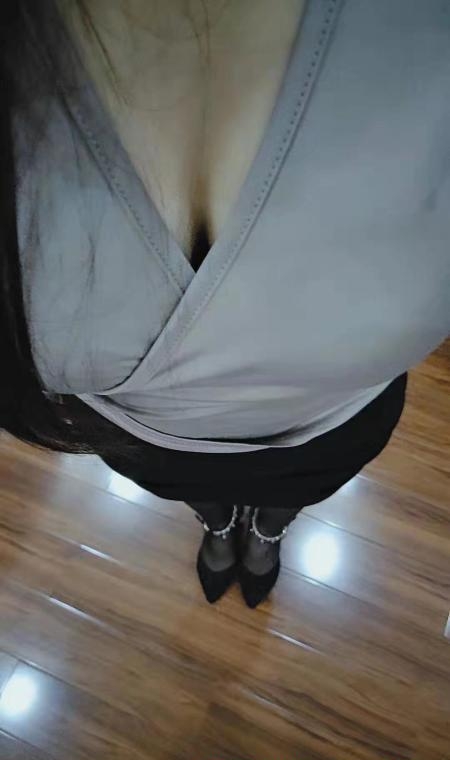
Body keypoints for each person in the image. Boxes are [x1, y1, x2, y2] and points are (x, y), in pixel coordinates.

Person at [1, 0, 448, 608]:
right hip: (149, 442)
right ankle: (217, 524)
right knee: (198, 495)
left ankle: (268, 530)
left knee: (291, 495)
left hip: (329, 427)